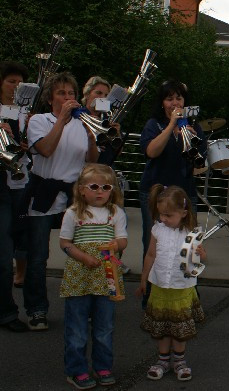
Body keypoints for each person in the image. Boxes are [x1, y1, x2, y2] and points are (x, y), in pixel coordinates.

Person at [24, 72, 100, 331]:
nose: (68, 97)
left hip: (74, 194)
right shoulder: (39, 120)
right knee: (38, 257)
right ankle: (37, 309)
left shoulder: (83, 123)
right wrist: (62, 121)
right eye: (61, 93)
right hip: (44, 191)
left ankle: (82, 307)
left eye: (71, 93)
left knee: (82, 254)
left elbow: (92, 160)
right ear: (50, 99)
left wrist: (91, 137)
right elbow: (44, 149)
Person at [59, 164, 127, 389]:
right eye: (94, 186)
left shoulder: (116, 212)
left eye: (106, 187)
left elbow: (123, 240)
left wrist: (117, 244)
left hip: (107, 277)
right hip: (80, 274)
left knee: (104, 326)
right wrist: (83, 257)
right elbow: (65, 243)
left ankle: (103, 366)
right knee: (76, 327)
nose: (100, 191)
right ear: (81, 189)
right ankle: (76, 370)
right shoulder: (72, 213)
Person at [137, 185, 205, 381]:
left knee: (178, 328)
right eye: (161, 215)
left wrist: (202, 254)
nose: (163, 219)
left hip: (181, 287)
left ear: (183, 213)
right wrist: (143, 278)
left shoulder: (192, 233)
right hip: (159, 286)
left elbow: (201, 258)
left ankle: (180, 361)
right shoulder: (157, 229)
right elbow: (150, 254)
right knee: (163, 326)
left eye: (168, 215)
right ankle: (162, 361)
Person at [139, 80, 207, 263]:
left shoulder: (195, 127)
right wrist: (171, 127)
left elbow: (200, 166)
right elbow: (151, 152)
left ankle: (185, 286)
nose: (175, 103)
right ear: (162, 103)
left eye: (179, 98)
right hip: (155, 192)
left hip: (185, 192)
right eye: (169, 99)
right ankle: (151, 288)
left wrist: (192, 142)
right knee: (153, 243)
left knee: (188, 243)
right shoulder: (154, 124)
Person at [0, 61, 30, 332]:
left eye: (20, 83)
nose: (15, 87)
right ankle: (7, 313)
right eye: (11, 81)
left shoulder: (23, 111)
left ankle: (9, 311)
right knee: (3, 256)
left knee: (9, 252)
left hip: (14, 185)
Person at [81, 76, 123, 167]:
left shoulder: (109, 119)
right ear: (87, 94)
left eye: (106, 95)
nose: (102, 98)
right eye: (98, 93)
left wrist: (117, 134)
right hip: (84, 170)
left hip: (106, 170)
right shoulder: (78, 116)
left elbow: (118, 152)